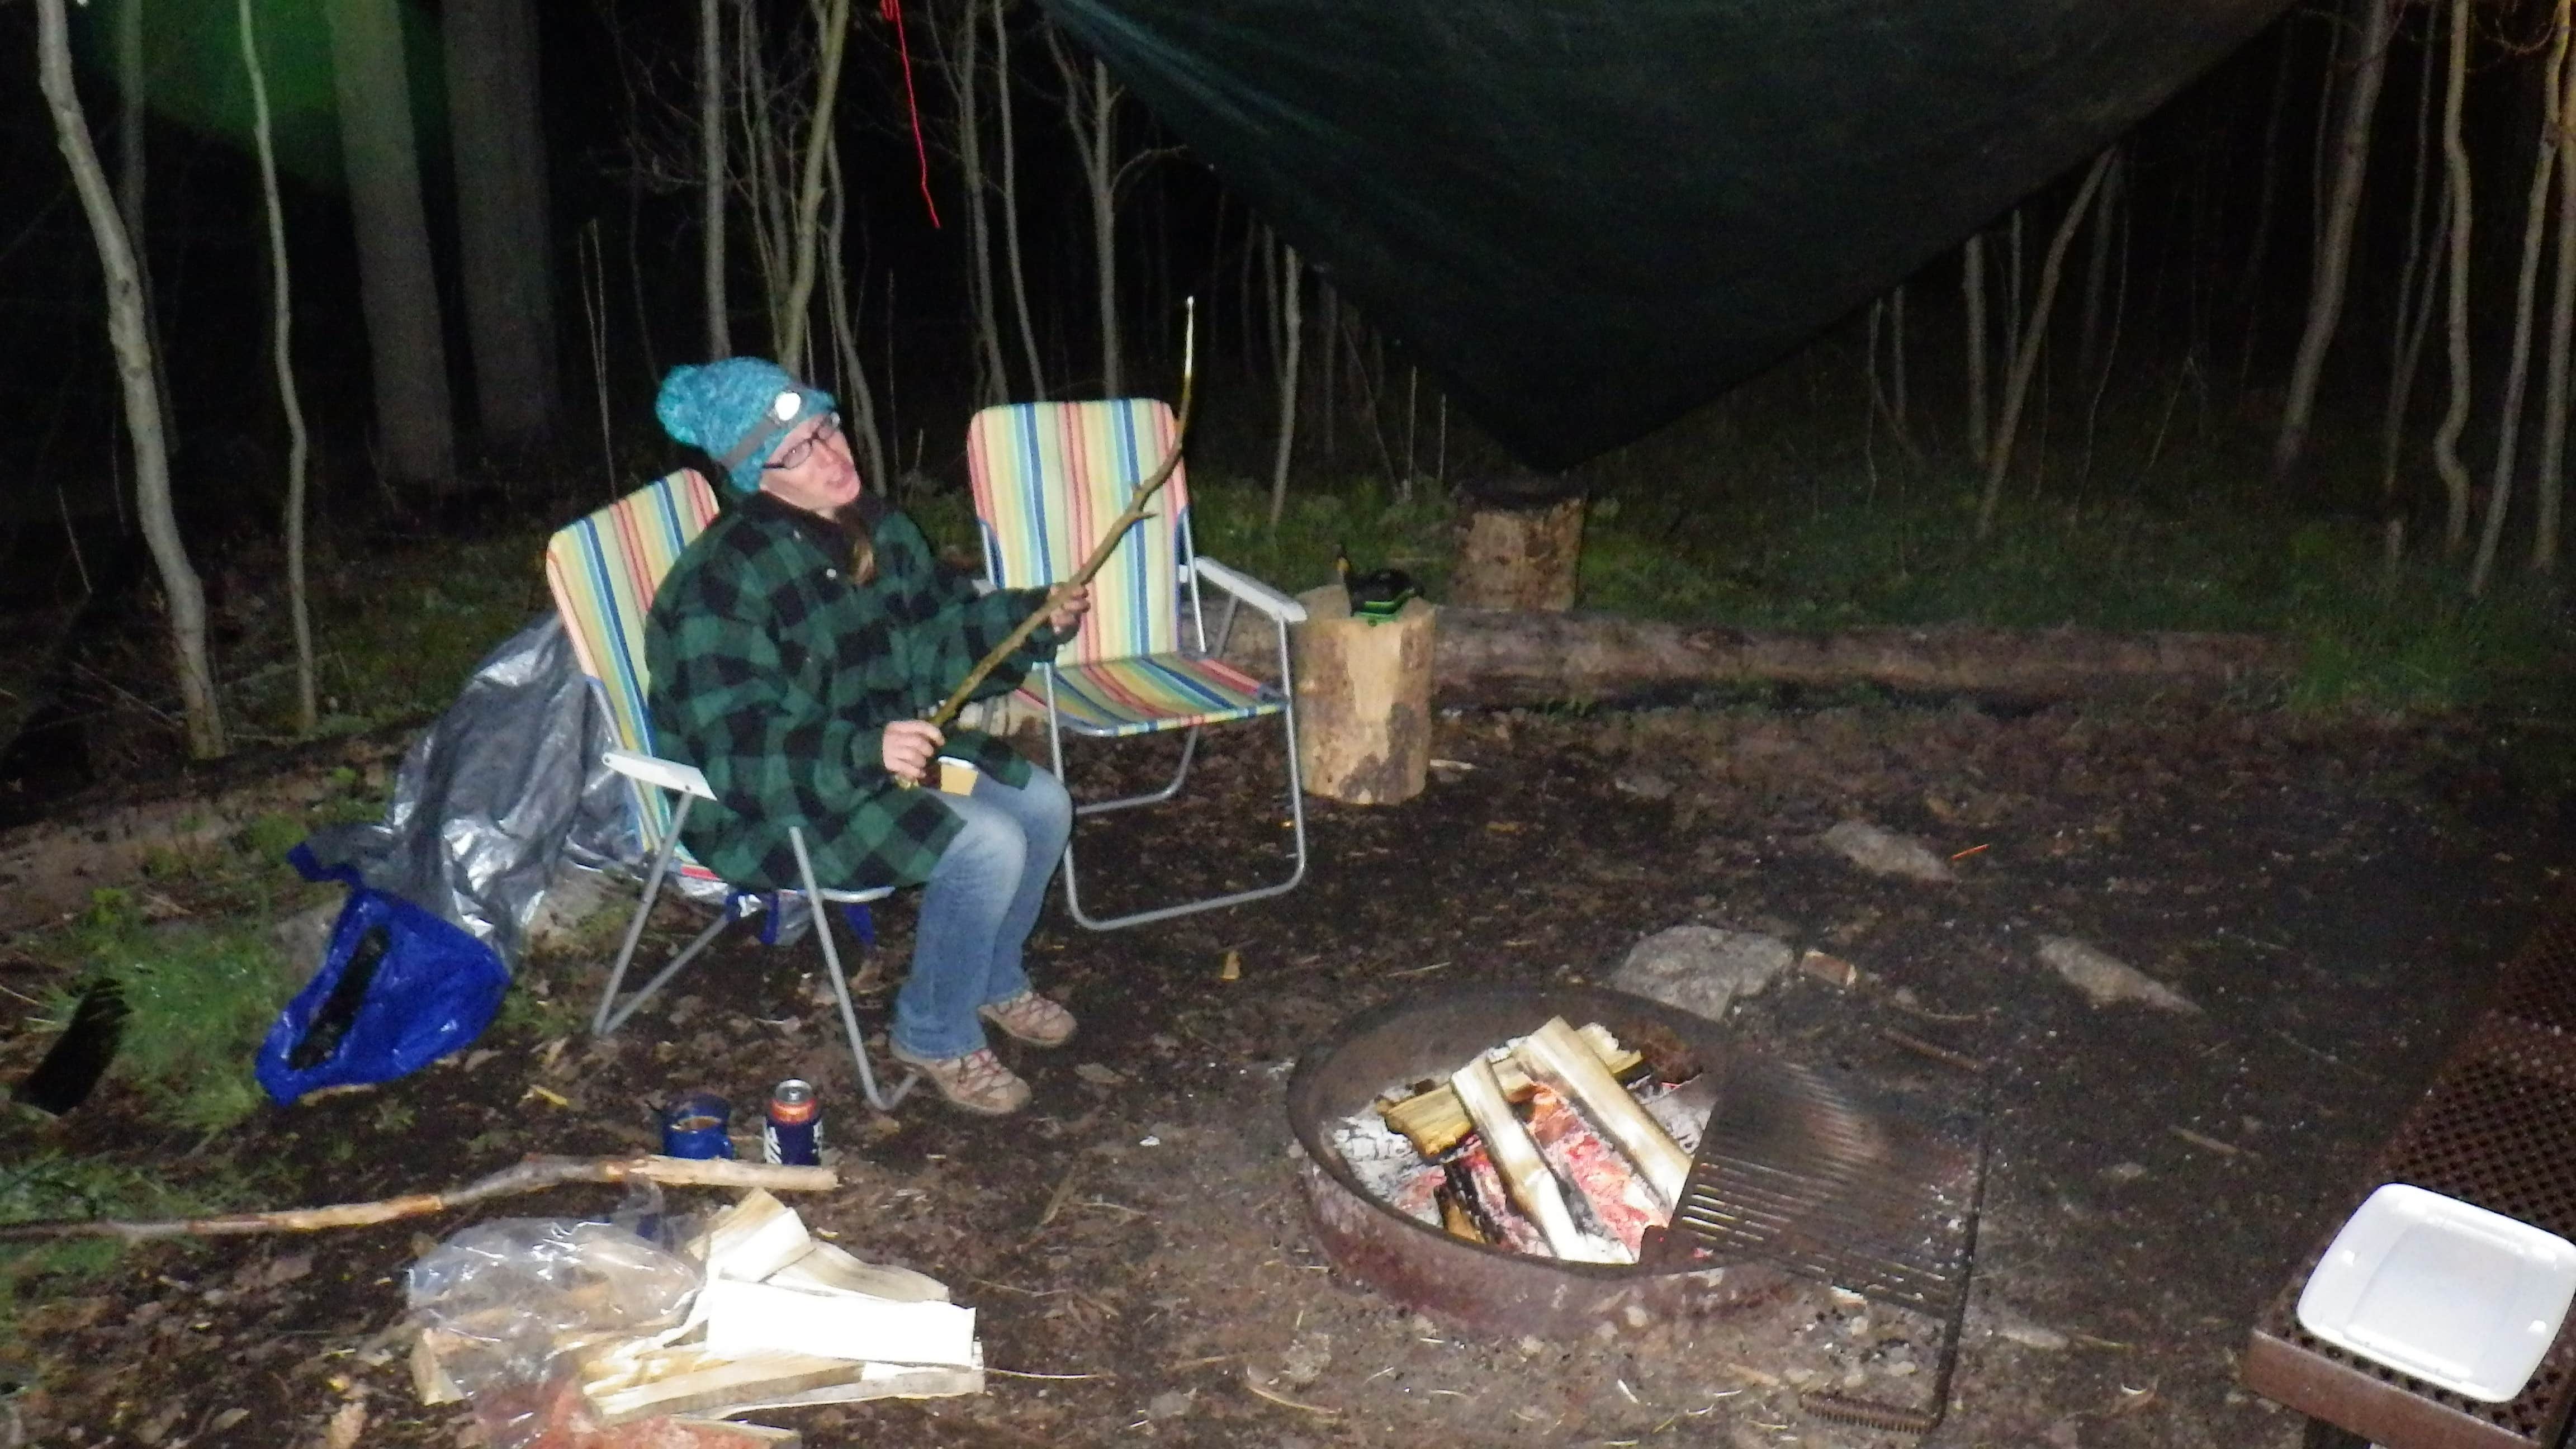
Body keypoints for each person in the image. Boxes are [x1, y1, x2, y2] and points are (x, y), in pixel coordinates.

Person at [643, 357, 1090, 1115]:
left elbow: (941, 633)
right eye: (803, 449)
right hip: (779, 801)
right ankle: (933, 1032)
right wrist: (863, 750)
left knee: (1043, 803)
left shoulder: (876, 527)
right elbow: (739, 751)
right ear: (756, 474)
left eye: (828, 428)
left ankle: (992, 981)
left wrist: (1027, 621)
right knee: (985, 842)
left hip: (890, 756)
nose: (834, 454)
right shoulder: (721, 586)